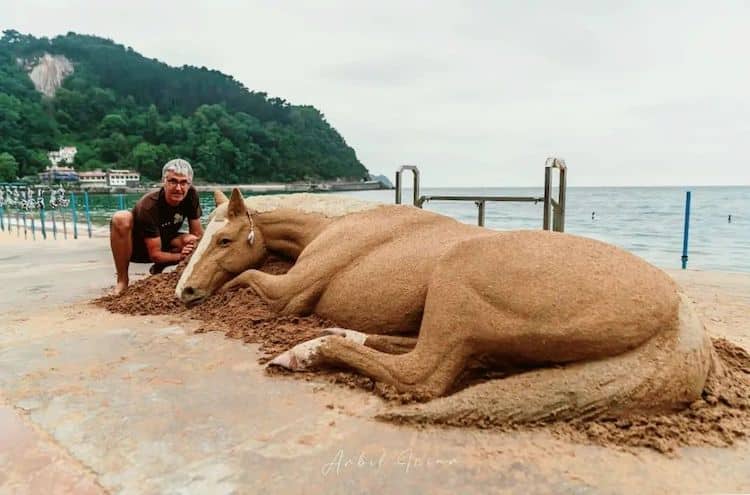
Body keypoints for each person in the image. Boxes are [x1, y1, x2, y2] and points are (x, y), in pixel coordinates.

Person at [110, 158, 204, 295]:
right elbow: (155, 254)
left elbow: (197, 235)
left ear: (190, 184)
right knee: (121, 218)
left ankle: (168, 270)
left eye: (184, 183)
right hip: (137, 249)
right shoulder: (148, 206)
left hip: (165, 241)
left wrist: (194, 248)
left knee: (192, 240)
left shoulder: (191, 195)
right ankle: (122, 280)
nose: (179, 188)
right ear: (163, 181)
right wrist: (181, 257)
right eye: (173, 181)